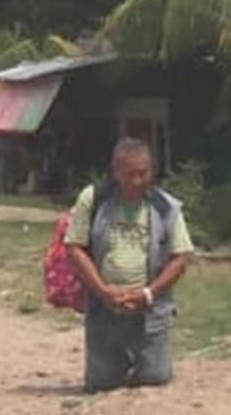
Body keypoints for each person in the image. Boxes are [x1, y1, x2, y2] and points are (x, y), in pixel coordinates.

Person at [64, 137, 194, 392]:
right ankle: (115, 362)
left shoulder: (166, 206)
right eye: (129, 174)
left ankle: (142, 362)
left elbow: (181, 257)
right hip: (104, 306)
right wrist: (103, 291)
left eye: (143, 173)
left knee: (156, 376)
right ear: (116, 172)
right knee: (102, 383)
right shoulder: (94, 199)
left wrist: (147, 294)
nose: (137, 181)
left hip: (151, 308)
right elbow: (74, 247)